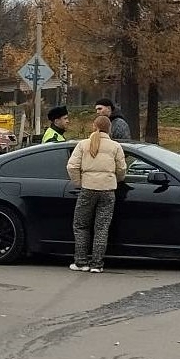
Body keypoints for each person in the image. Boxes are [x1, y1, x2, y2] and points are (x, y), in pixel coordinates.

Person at [66, 105, 126, 272]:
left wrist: (79, 182)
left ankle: (81, 262)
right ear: (109, 129)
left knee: (81, 225)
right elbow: (121, 169)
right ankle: (97, 265)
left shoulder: (83, 145)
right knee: (102, 227)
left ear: (94, 126)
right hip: (108, 191)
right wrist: (116, 180)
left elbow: (71, 166)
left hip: (88, 189)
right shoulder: (115, 147)